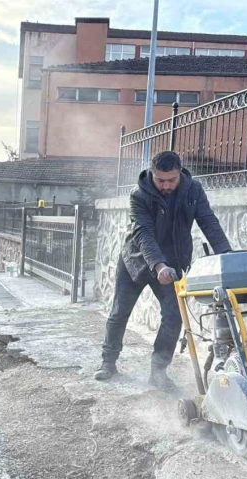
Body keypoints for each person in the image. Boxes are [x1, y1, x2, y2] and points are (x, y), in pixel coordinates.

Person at [94, 151, 232, 391]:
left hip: (172, 263)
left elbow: (208, 221)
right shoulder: (139, 194)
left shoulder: (193, 190)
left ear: (180, 173)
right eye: (160, 180)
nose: (166, 185)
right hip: (136, 261)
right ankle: (108, 362)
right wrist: (158, 265)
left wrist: (227, 255)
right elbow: (143, 233)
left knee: (174, 316)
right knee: (119, 312)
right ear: (152, 174)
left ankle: (158, 371)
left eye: (171, 180)